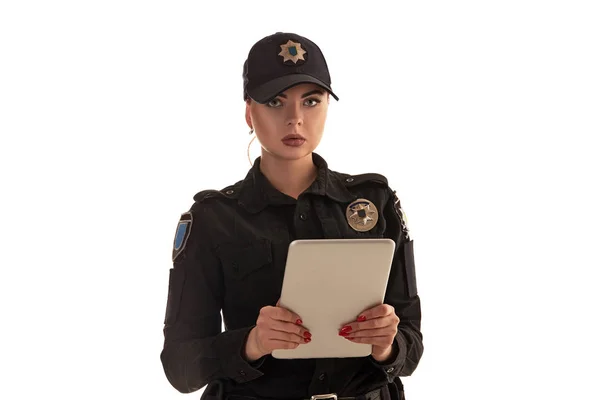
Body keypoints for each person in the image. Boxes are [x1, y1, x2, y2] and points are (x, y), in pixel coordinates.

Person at [160, 32, 424, 400]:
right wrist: (251, 343)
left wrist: (387, 345)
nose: (295, 119)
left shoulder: (374, 203)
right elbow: (179, 366)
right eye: (275, 102)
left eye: (311, 101)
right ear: (249, 112)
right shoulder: (212, 218)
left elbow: (412, 344)